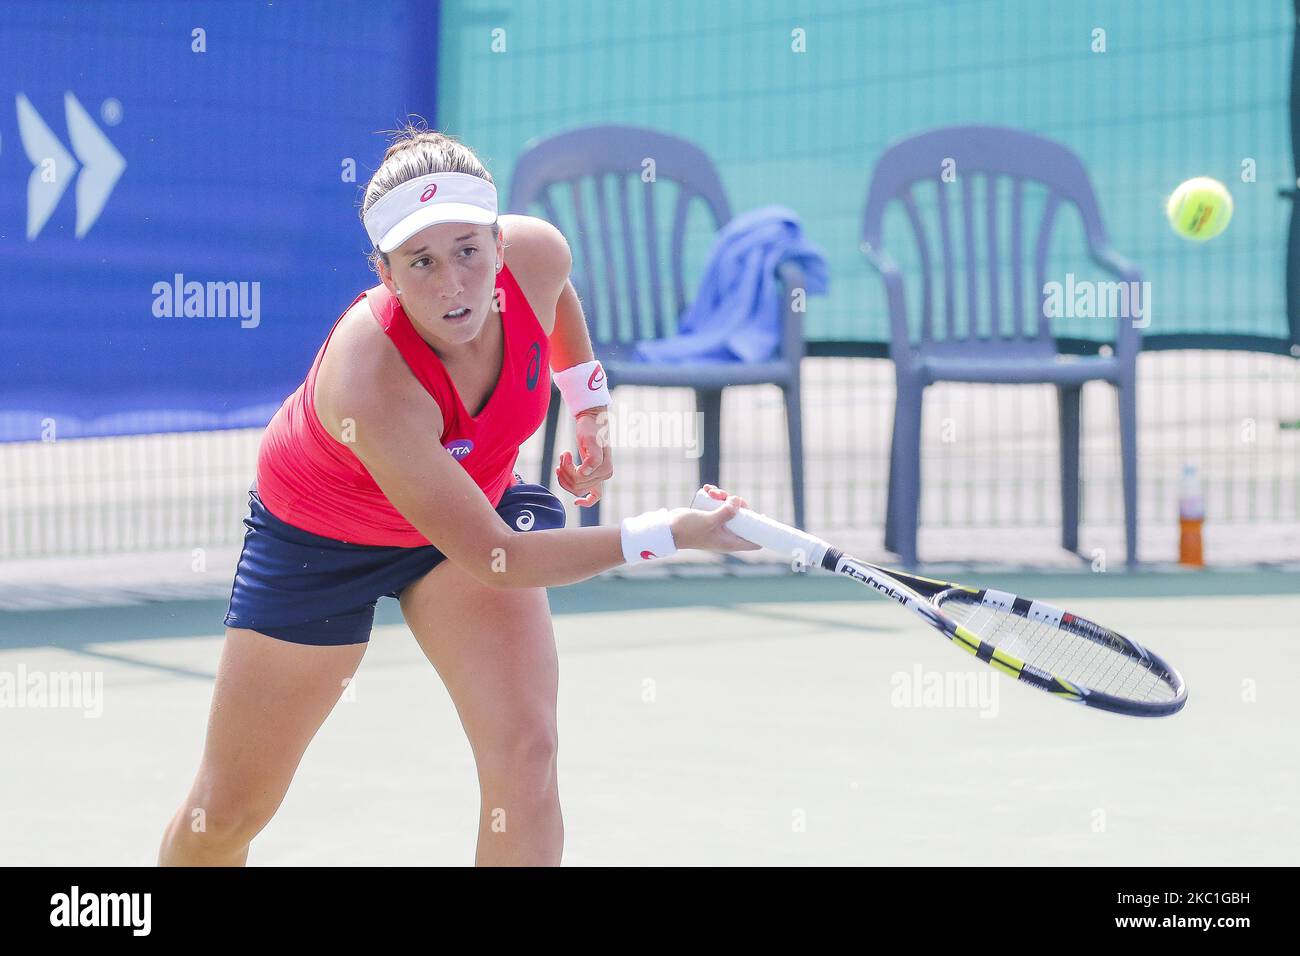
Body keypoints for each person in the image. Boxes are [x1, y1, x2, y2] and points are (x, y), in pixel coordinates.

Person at [158, 124, 759, 867]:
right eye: (423, 262)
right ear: (385, 272)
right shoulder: (371, 379)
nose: (453, 285)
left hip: (468, 510)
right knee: (228, 812)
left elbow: (556, 295)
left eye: (469, 252)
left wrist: (588, 402)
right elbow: (500, 558)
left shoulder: (534, 254)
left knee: (527, 753)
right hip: (320, 542)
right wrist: (669, 534)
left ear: (499, 246)